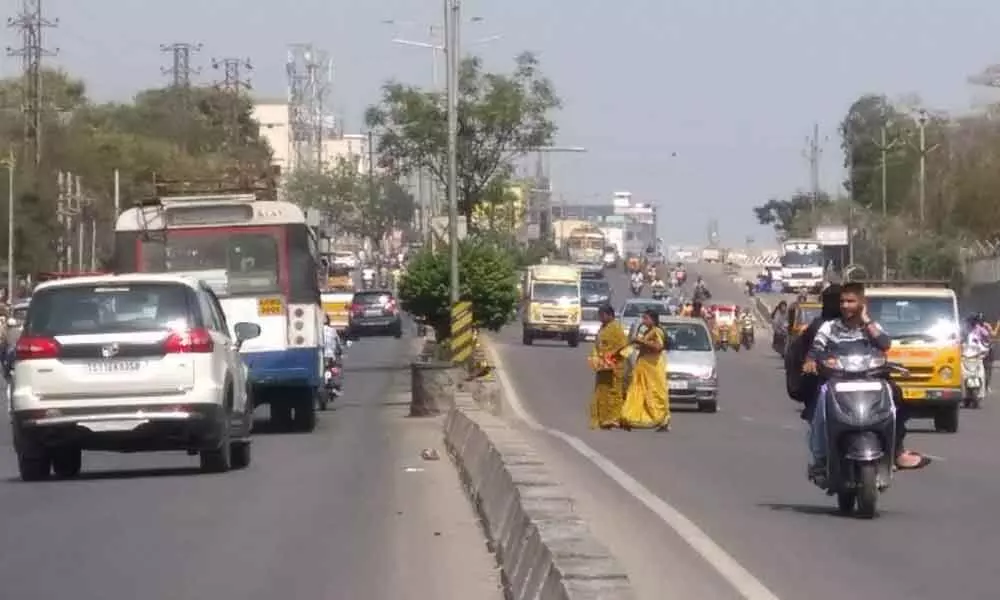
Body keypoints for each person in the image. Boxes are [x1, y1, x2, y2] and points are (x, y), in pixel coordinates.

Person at [799, 282, 929, 474]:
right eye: (842, 301)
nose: (845, 306)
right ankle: (821, 457)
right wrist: (811, 360)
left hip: (870, 380)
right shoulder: (830, 327)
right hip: (837, 381)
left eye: (851, 301)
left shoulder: (871, 326)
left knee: (896, 395)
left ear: (862, 303)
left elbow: (885, 344)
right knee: (820, 402)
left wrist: (867, 320)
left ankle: (897, 450)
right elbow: (816, 348)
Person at [621, 310, 670, 431]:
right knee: (639, 392)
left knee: (657, 393)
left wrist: (641, 341)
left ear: (653, 320)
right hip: (644, 367)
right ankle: (632, 416)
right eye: (643, 318)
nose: (643, 321)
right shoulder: (648, 331)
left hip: (653, 367)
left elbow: (658, 347)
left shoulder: (657, 331)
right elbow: (644, 345)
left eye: (646, 318)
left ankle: (663, 419)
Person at [588, 304, 628, 429]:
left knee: (614, 392)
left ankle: (614, 418)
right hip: (603, 365)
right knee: (601, 391)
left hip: (615, 366)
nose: (600, 318)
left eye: (602, 315)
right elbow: (597, 345)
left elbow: (624, 347)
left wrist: (611, 356)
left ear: (610, 315)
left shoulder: (617, 328)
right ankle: (602, 418)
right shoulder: (603, 328)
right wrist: (595, 358)